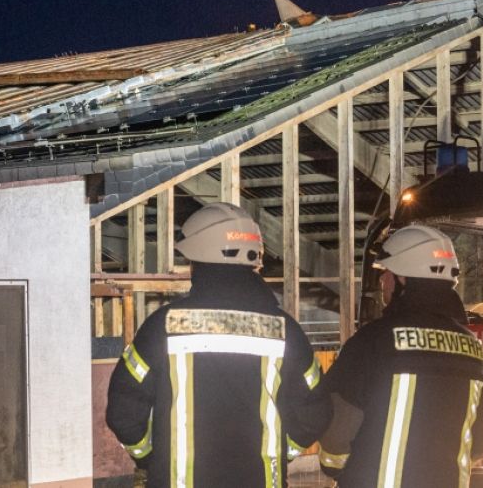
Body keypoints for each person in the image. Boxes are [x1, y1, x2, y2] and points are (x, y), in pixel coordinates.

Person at [106, 202, 330, 487]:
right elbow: (316, 412)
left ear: (197, 260)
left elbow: (123, 412)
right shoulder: (287, 333)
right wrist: (281, 454)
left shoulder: (162, 328)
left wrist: (149, 457)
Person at [318, 224, 483, 487]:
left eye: (387, 273)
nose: (383, 281)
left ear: (404, 279)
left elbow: (338, 429)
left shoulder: (373, 342)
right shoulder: (475, 351)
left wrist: (334, 467)